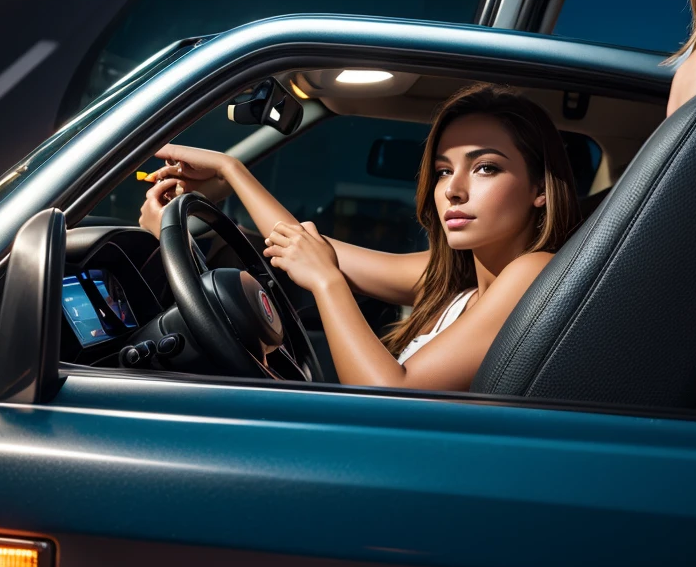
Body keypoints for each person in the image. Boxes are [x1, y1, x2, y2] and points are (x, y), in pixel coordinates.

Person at [139, 83, 581, 390]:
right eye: (445, 170)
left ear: (540, 189)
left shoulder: (533, 271)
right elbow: (299, 243)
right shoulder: (459, 283)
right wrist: (230, 171)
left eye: (485, 167)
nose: (452, 189)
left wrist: (327, 283)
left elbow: (393, 398)